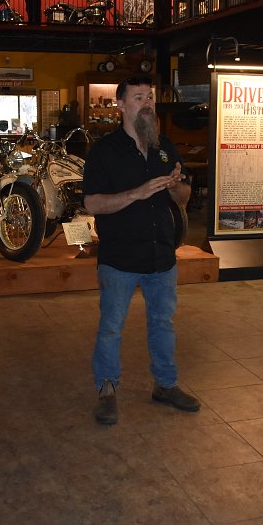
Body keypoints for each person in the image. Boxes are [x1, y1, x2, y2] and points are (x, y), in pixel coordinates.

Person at [82, 75, 199, 425]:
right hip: (120, 258)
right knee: (111, 328)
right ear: (120, 105)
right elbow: (92, 204)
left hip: (162, 256)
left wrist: (176, 187)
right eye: (138, 98)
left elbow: (184, 198)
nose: (147, 103)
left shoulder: (166, 148)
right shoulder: (104, 152)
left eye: (150, 97)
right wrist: (138, 192)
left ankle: (165, 385)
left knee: (163, 324)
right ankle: (106, 390)